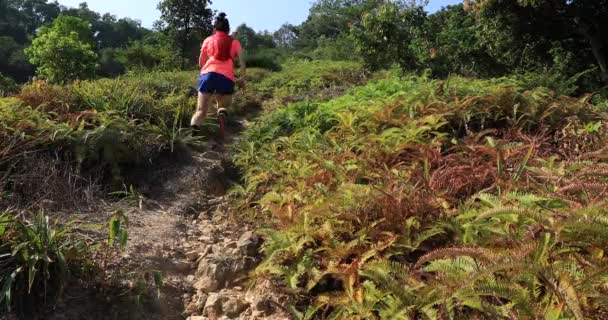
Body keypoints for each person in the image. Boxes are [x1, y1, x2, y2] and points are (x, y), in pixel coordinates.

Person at [191, 12, 246, 131]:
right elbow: (242, 62)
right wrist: (242, 78)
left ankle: (193, 133)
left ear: (214, 28)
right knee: (223, 104)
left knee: (200, 111)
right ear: (228, 29)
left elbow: (201, 61)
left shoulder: (208, 40)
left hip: (207, 75)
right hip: (226, 78)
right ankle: (221, 112)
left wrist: (203, 74)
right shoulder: (235, 42)